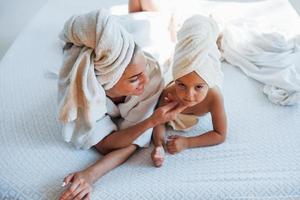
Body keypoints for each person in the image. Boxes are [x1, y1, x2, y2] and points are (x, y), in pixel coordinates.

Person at [58, 3, 185, 200]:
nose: (145, 80)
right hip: (127, 35)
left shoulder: (151, 76)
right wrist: (150, 121)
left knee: (158, 21)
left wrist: (91, 174)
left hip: (148, 40)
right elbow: (105, 144)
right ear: (105, 84)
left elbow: (132, 142)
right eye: (134, 79)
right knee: (137, 12)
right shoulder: (85, 87)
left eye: (143, 74)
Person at [151, 15, 228, 167]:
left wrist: (188, 143)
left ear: (207, 84)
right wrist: (158, 146)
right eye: (181, 85)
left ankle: (210, 35)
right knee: (170, 53)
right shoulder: (169, 93)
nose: (189, 95)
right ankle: (173, 24)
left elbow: (220, 135)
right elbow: (158, 122)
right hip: (176, 65)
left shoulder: (214, 96)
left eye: (198, 87)